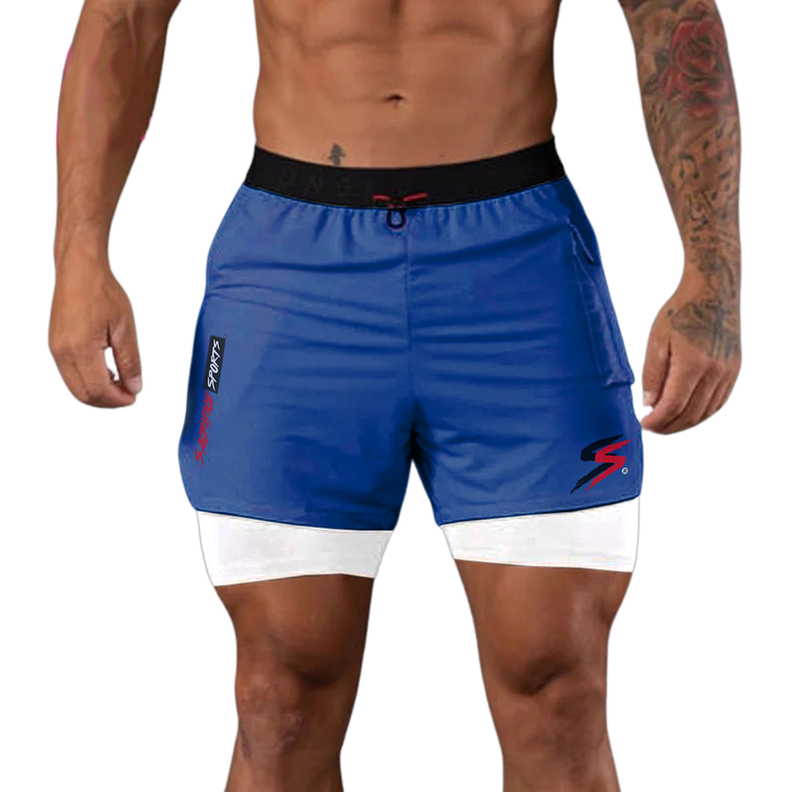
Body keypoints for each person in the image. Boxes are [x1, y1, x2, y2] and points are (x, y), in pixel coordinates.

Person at [49, 0, 741, 789]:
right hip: (293, 269)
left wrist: (713, 276)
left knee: (558, 689)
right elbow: (124, 17)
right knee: (280, 700)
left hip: (517, 271)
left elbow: (673, 15)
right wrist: (79, 256)